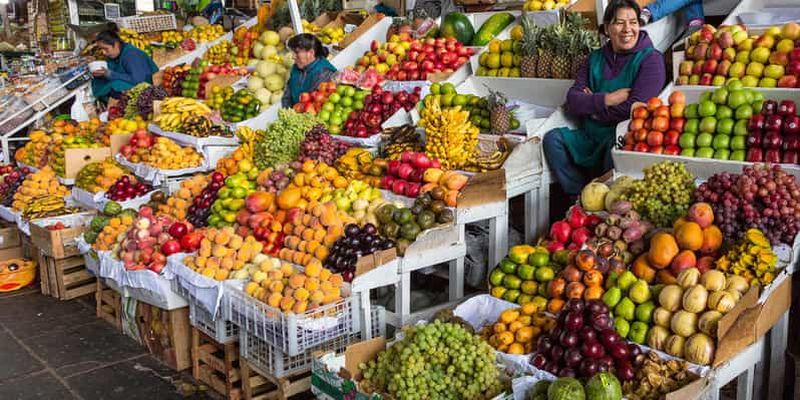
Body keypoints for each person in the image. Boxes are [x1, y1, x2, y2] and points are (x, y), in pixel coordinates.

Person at [543, 0, 666, 197]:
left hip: (621, 135)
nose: (628, 29)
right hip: (589, 135)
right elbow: (573, 100)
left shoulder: (651, 60)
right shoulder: (595, 58)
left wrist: (593, 111)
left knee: (615, 148)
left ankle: (603, 201)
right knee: (553, 139)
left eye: (633, 22)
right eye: (619, 22)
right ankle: (578, 198)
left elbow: (635, 109)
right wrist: (608, 99)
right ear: (607, 28)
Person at [90, 26, 158, 103]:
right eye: (101, 49)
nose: (104, 53)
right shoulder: (115, 54)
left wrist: (110, 74)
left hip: (146, 87)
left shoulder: (131, 55)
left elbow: (138, 80)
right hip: (131, 83)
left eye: (106, 49)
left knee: (116, 85)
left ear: (116, 44)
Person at [281, 34, 337, 108]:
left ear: (310, 53)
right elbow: (287, 96)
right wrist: (287, 112)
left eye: (297, 52)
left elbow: (315, 103)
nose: (293, 57)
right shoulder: (296, 67)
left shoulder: (324, 72)